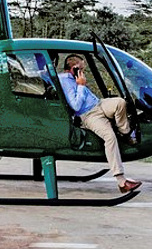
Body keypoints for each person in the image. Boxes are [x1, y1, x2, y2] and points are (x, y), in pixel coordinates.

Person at [59, 54, 142, 193]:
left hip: (99, 104)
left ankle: (125, 132)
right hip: (88, 115)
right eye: (81, 69)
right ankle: (122, 182)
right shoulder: (65, 81)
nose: (83, 72)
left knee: (120, 102)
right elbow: (76, 106)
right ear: (73, 68)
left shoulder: (75, 78)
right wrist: (81, 86)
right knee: (110, 137)